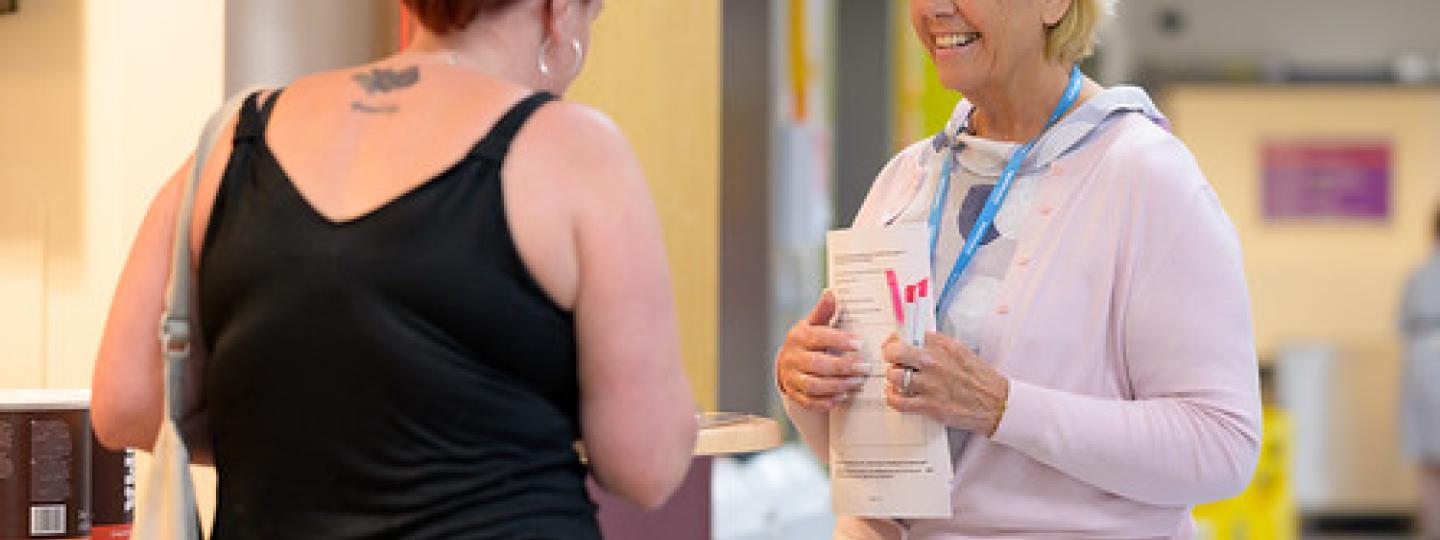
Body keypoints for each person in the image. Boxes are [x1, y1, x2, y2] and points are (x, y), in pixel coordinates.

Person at [90, 0, 697, 537]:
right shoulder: (576, 151)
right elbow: (645, 464)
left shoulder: (232, 139)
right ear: (557, 10)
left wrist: (324, 442)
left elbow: (126, 403)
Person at [775, 0, 1261, 537]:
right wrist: (811, 386)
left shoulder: (1145, 176)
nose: (934, 8)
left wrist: (1003, 407)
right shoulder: (906, 178)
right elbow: (865, 455)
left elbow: (1221, 445)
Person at [1399, 208, 1440, 540]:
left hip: (1422, 361)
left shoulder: (1419, 275)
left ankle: (1432, 529)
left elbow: (1401, 324)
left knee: (1428, 461)